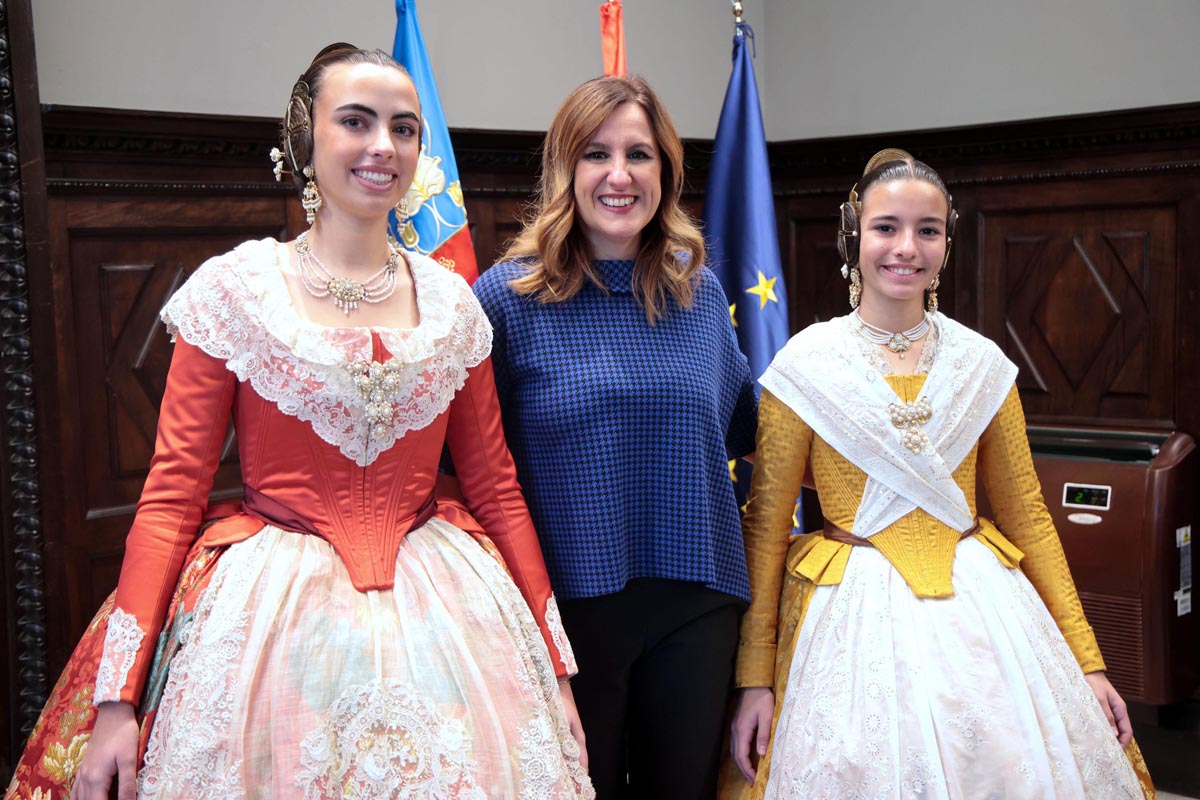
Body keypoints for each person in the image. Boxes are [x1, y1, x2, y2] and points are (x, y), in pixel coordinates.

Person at [5, 43, 592, 800]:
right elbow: (171, 496)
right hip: (271, 618)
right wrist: (118, 702)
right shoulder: (237, 292)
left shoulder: (455, 308)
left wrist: (554, 669)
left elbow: (497, 488)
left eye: (404, 128)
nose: (384, 145)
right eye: (357, 121)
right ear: (304, 140)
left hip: (449, 613)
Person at [723, 148, 1156, 799]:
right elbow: (765, 529)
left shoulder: (982, 365)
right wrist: (753, 678)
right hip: (849, 623)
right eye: (886, 227)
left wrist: (1087, 662)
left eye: (927, 230)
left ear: (947, 243)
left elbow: (1030, 519)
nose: (907, 247)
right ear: (854, 236)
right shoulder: (804, 365)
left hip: (983, 613)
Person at [473, 75, 758, 799]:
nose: (621, 174)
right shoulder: (507, 301)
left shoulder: (696, 295)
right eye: (597, 154)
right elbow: (476, 466)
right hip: (569, 609)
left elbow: (746, 426)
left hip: (697, 601)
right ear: (566, 170)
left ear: (666, 170)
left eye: (641, 154)